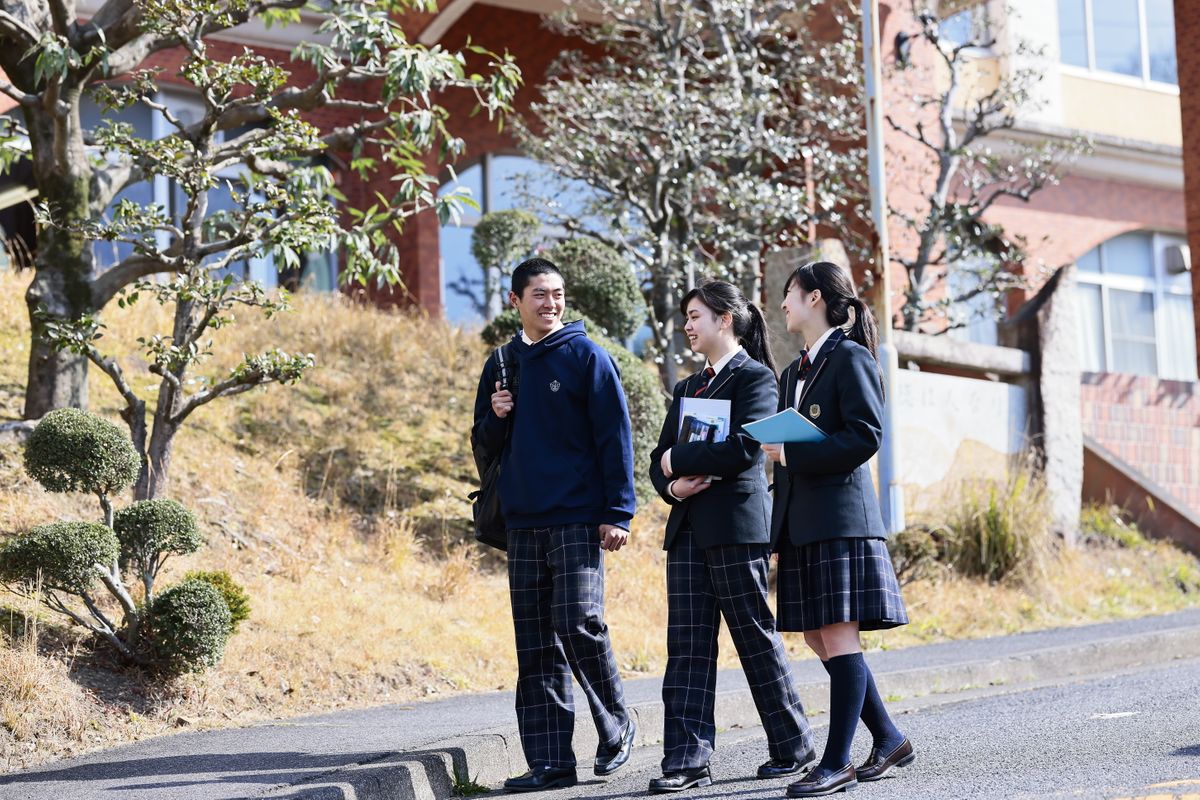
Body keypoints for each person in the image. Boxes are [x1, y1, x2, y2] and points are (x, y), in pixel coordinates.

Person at [470, 257, 638, 794]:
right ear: (516, 300)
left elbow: (616, 437)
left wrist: (619, 511)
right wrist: (495, 417)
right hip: (523, 522)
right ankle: (550, 761)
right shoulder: (502, 361)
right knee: (534, 643)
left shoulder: (587, 356)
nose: (551, 303)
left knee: (579, 622)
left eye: (557, 294)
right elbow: (483, 448)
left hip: (578, 519)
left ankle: (617, 726)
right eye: (539, 294)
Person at [647, 280, 815, 794]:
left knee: (753, 638)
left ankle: (793, 745)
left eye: (695, 316)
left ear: (725, 319)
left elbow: (745, 447)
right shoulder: (687, 387)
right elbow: (656, 464)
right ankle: (686, 759)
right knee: (687, 647)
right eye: (687, 318)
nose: (688, 326)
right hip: (689, 529)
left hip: (738, 529)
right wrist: (671, 480)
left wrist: (679, 458)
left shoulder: (755, 378)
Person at [761, 261, 914, 798]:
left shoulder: (850, 358)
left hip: (842, 519)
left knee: (838, 634)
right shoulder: (792, 371)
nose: (783, 305)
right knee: (815, 635)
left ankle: (836, 762)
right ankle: (889, 738)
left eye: (790, 295)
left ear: (817, 299)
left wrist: (794, 453)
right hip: (801, 522)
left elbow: (865, 436)